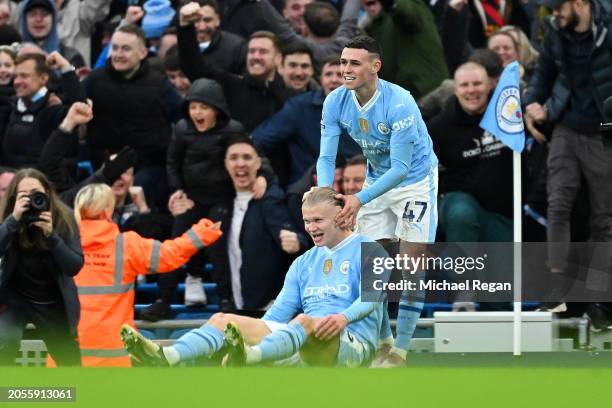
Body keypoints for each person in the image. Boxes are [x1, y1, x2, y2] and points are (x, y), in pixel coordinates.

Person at [120, 187, 388, 367]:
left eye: (318, 220)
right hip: (305, 340)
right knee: (222, 320)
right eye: (306, 221)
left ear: (340, 216)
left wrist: (342, 318)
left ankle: (252, 357)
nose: (310, 228)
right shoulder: (303, 262)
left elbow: (372, 301)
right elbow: (275, 318)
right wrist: (250, 334)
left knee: (305, 322)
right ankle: (168, 356)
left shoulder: (371, 249)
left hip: (354, 345)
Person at [316, 35, 438, 366]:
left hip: (414, 181)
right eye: (342, 62)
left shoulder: (400, 103)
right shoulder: (335, 102)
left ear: (375, 66)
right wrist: (325, 196)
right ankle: (383, 341)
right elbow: (326, 158)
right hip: (375, 182)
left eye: (354, 63)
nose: (345, 69)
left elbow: (400, 168)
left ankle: (401, 349)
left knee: (412, 263)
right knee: (373, 267)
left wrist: (357, 199)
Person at [523, 0, 612, 316]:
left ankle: (602, 297)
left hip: (603, 132)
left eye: (558, 8)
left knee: (604, 218)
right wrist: (531, 103)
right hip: (565, 127)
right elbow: (543, 73)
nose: (554, 15)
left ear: (579, 3)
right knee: (557, 204)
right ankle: (557, 288)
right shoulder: (555, 31)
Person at [72, 183, 222, 367]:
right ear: (107, 210)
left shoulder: (61, 246)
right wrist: (202, 232)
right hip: (113, 360)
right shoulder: (126, 246)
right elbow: (170, 255)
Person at [83, 24, 182, 209]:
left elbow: (182, 118)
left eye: (126, 49)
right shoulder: (95, 80)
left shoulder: (159, 84)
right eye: (115, 48)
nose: (119, 54)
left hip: (148, 168)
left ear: (143, 53)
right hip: (103, 167)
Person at [206, 136, 309, 311]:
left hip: (267, 309)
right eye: (234, 158)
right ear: (225, 164)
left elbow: (298, 239)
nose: (240, 164)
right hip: (234, 308)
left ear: (258, 163)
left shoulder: (270, 200)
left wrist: (297, 242)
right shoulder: (219, 209)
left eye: (247, 157)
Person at [0, 168, 83, 366]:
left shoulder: (64, 216)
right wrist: (13, 221)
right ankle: (7, 393)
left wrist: (51, 235)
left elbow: (73, 266)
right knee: (3, 343)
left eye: (35, 193)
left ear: (47, 192)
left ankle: (76, 395)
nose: (30, 200)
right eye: (23, 195)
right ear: (14, 197)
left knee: (69, 361)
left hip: (51, 300)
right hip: (15, 299)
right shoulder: (7, 217)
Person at [253, 55, 360, 186]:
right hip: (307, 192)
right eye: (328, 74)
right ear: (320, 79)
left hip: (355, 190)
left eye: (340, 74)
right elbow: (256, 141)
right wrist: (263, 174)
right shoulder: (299, 108)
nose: (334, 80)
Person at [359, 0, 448, 100]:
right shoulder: (370, 24)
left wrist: (392, 4)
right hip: (402, 94)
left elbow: (408, 14)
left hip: (425, 89)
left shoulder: (410, 6)